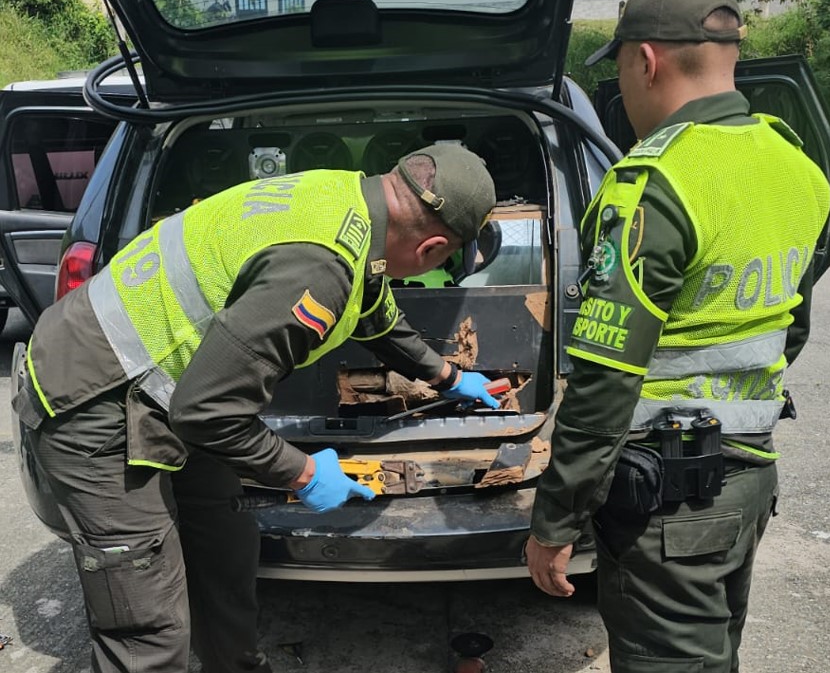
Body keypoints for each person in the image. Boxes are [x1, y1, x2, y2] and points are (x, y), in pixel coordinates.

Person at [13, 143, 500, 672]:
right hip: (95, 399)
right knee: (147, 629)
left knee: (225, 551)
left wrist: (447, 375)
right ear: (430, 249)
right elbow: (207, 414)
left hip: (169, 391)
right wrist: (305, 471)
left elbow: (372, 304)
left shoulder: (351, 198)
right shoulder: (319, 266)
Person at [526, 0, 830, 673]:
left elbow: (605, 380)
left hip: (668, 501)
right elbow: (790, 329)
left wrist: (555, 520)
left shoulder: (653, 185)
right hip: (749, 476)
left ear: (646, 59)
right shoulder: (796, 165)